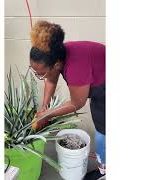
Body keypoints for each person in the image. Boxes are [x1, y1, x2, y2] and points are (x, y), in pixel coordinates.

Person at [29, 20, 106, 180]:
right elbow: (50, 79)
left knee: (103, 130)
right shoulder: (56, 54)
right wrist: (45, 107)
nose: (39, 76)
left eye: (40, 73)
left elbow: (77, 103)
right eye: (34, 71)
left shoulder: (76, 68)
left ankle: (104, 170)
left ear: (56, 65)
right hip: (99, 78)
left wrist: (47, 115)